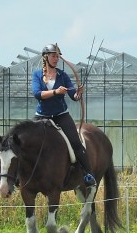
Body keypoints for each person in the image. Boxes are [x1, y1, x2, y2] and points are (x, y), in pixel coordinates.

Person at [32, 43, 96, 186]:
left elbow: (73, 95)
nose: (56, 59)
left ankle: (88, 174)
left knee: (76, 143)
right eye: (53, 56)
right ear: (45, 57)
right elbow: (37, 94)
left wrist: (78, 94)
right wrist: (55, 92)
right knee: (27, 140)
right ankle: (22, 174)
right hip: (42, 116)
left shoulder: (63, 75)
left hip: (61, 115)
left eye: (58, 56)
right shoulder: (37, 75)